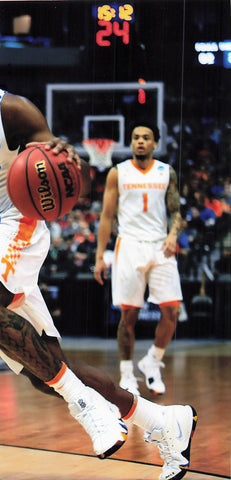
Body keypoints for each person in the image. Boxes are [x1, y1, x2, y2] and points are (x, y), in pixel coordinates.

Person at [0, 15, 197, 480]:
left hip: (14, 226)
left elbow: (61, 167)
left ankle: (86, 406)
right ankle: (163, 421)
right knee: (44, 367)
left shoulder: (11, 110)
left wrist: (70, 161)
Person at [94, 124, 183, 397]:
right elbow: (107, 216)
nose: (140, 141)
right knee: (129, 314)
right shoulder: (117, 173)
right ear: (131, 143)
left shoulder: (166, 171)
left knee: (172, 311)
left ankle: (152, 361)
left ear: (155, 143)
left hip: (160, 246)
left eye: (146, 138)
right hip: (129, 245)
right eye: (136, 138)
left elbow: (177, 212)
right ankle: (127, 374)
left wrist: (173, 234)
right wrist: (99, 255)